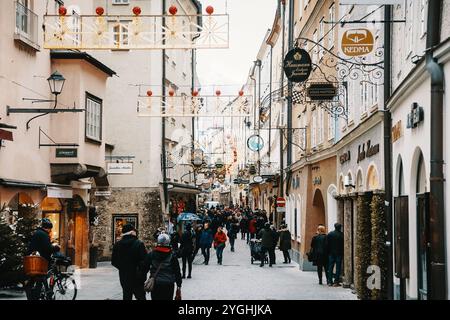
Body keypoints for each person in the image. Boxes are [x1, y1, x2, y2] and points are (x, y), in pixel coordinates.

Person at [111, 224, 147, 300]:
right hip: (137, 276)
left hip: (124, 276)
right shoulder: (139, 244)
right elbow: (145, 261)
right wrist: (141, 272)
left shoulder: (117, 245)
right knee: (141, 297)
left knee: (126, 296)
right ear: (131, 232)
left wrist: (123, 268)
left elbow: (114, 261)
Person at [143, 233, 182, 300]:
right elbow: (177, 271)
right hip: (168, 284)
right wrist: (179, 284)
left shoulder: (152, 254)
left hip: (156, 283)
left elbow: (144, 268)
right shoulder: (172, 256)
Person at [25, 218, 57, 300]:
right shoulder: (44, 235)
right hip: (41, 261)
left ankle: (35, 294)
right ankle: (42, 293)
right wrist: (56, 248)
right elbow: (47, 248)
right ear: (48, 228)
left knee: (36, 278)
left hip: (33, 261)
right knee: (42, 276)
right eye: (50, 229)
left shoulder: (37, 233)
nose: (50, 231)